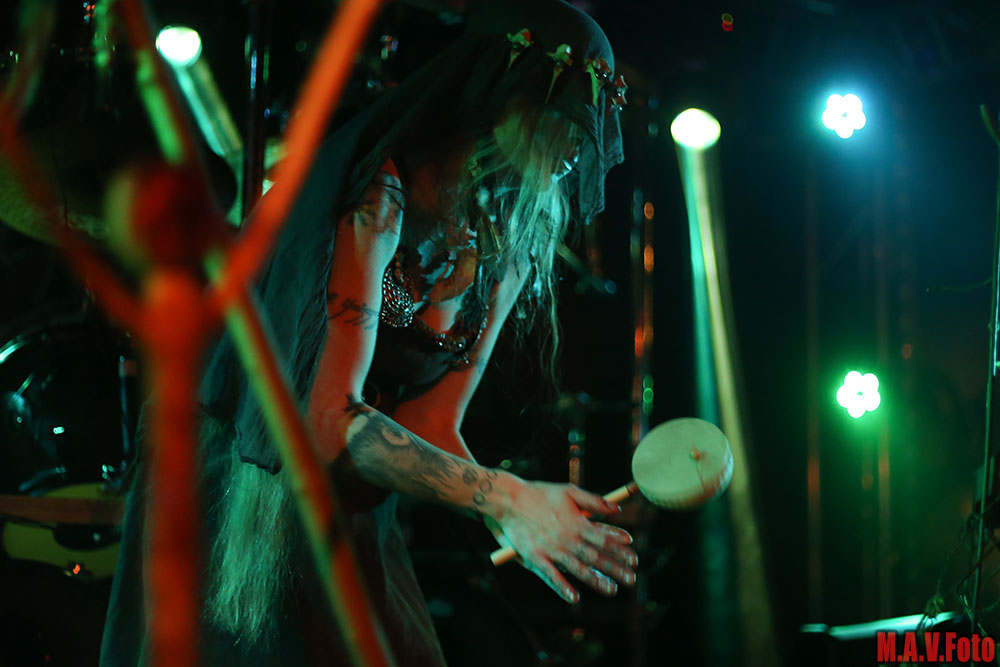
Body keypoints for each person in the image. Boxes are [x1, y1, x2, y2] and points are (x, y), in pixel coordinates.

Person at [101, 1, 633, 664]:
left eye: (592, 125)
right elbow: (329, 419)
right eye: (565, 116)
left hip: (349, 491)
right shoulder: (380, 193)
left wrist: (522, 514)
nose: (578, 147)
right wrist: (506, 497)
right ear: (505, 90)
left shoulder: (512, 239)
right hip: (238, 478)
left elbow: (431, 421)